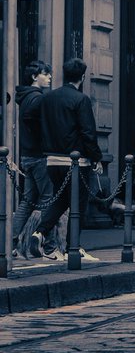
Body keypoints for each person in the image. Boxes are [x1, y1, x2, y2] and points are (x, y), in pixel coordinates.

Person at [30, 58, 104, 259]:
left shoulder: (47, 98)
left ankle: (40, 232)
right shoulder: (81, 100)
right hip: (76, 162)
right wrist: (96, 158)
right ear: (82, 76)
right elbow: (88, 132)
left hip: (52, 161)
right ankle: (74, 248)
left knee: (61, 200)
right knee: (78, 204)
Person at [12, 61, 54, 257]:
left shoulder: (26, 97)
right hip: (38, 156)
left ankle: (9, 241)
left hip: (28, 155)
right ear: (34, 77)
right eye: (45, 74)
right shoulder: (37, 98)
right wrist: (46, 140)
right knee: (47, 199)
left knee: (28, 201)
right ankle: (47, 244)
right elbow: (33, 120)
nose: (49, 77)